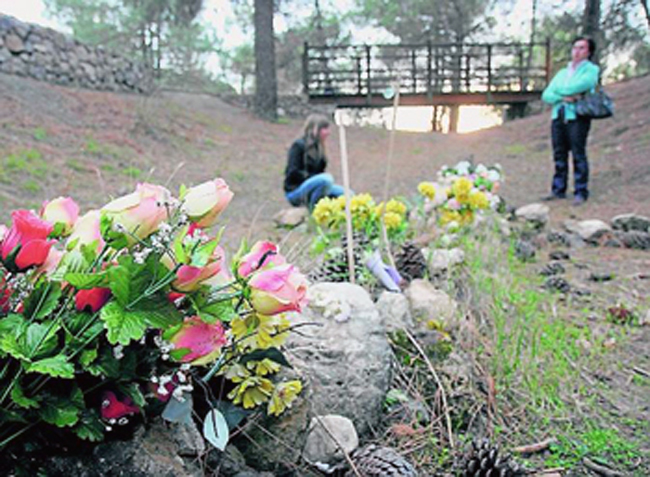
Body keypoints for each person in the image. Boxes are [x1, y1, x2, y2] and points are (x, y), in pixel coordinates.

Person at [541, 36, 600, 206]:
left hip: (577, 116)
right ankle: (558, 189)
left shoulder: (591, 70)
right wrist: (562, 97)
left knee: (578, 152)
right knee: (559, 153)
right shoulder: (562, 73)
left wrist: (559, 92)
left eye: (582, 48)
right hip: (558, 115)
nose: (577, 52)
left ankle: (581, 191)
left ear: (588, 52)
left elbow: (582, 85)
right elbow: (546, 95)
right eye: (575, 47)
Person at [284, 114, 344, 210]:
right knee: (326, 179)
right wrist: (312, 179)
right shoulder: (298, 146)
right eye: (325, 129)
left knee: (347, 194)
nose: (328, 132)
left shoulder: (319, 149)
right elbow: (293, 172)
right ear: (315, 129)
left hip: (316, 185)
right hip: (296, 190)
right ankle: (314, 211)